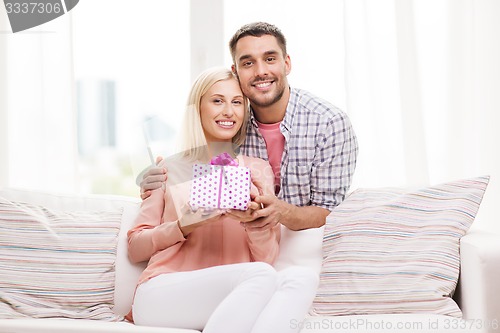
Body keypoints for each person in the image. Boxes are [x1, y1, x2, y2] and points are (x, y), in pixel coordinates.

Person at [127, 67, 319, 333]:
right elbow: (135, 247)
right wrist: (183, 225)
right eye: (217, 100)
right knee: (259, 276)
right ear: (197, 108)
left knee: (302, 277)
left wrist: (254, 225)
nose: (229, 111)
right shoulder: (166, 169)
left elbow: (266, 258)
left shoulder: (257, 168)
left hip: (239, 295)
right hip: (163, 291)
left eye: (237, 102)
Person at [140, 22, 359, 232]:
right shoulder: (229, 124)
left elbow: (330, 212)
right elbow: (197, 177)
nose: (260, 71)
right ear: (236, 72)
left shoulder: (329, 123)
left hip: (306, 245)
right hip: (248, 248)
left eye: (270, 58)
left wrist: (281, 212)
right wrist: (158, 182)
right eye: (248, 63)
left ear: (287, 63)